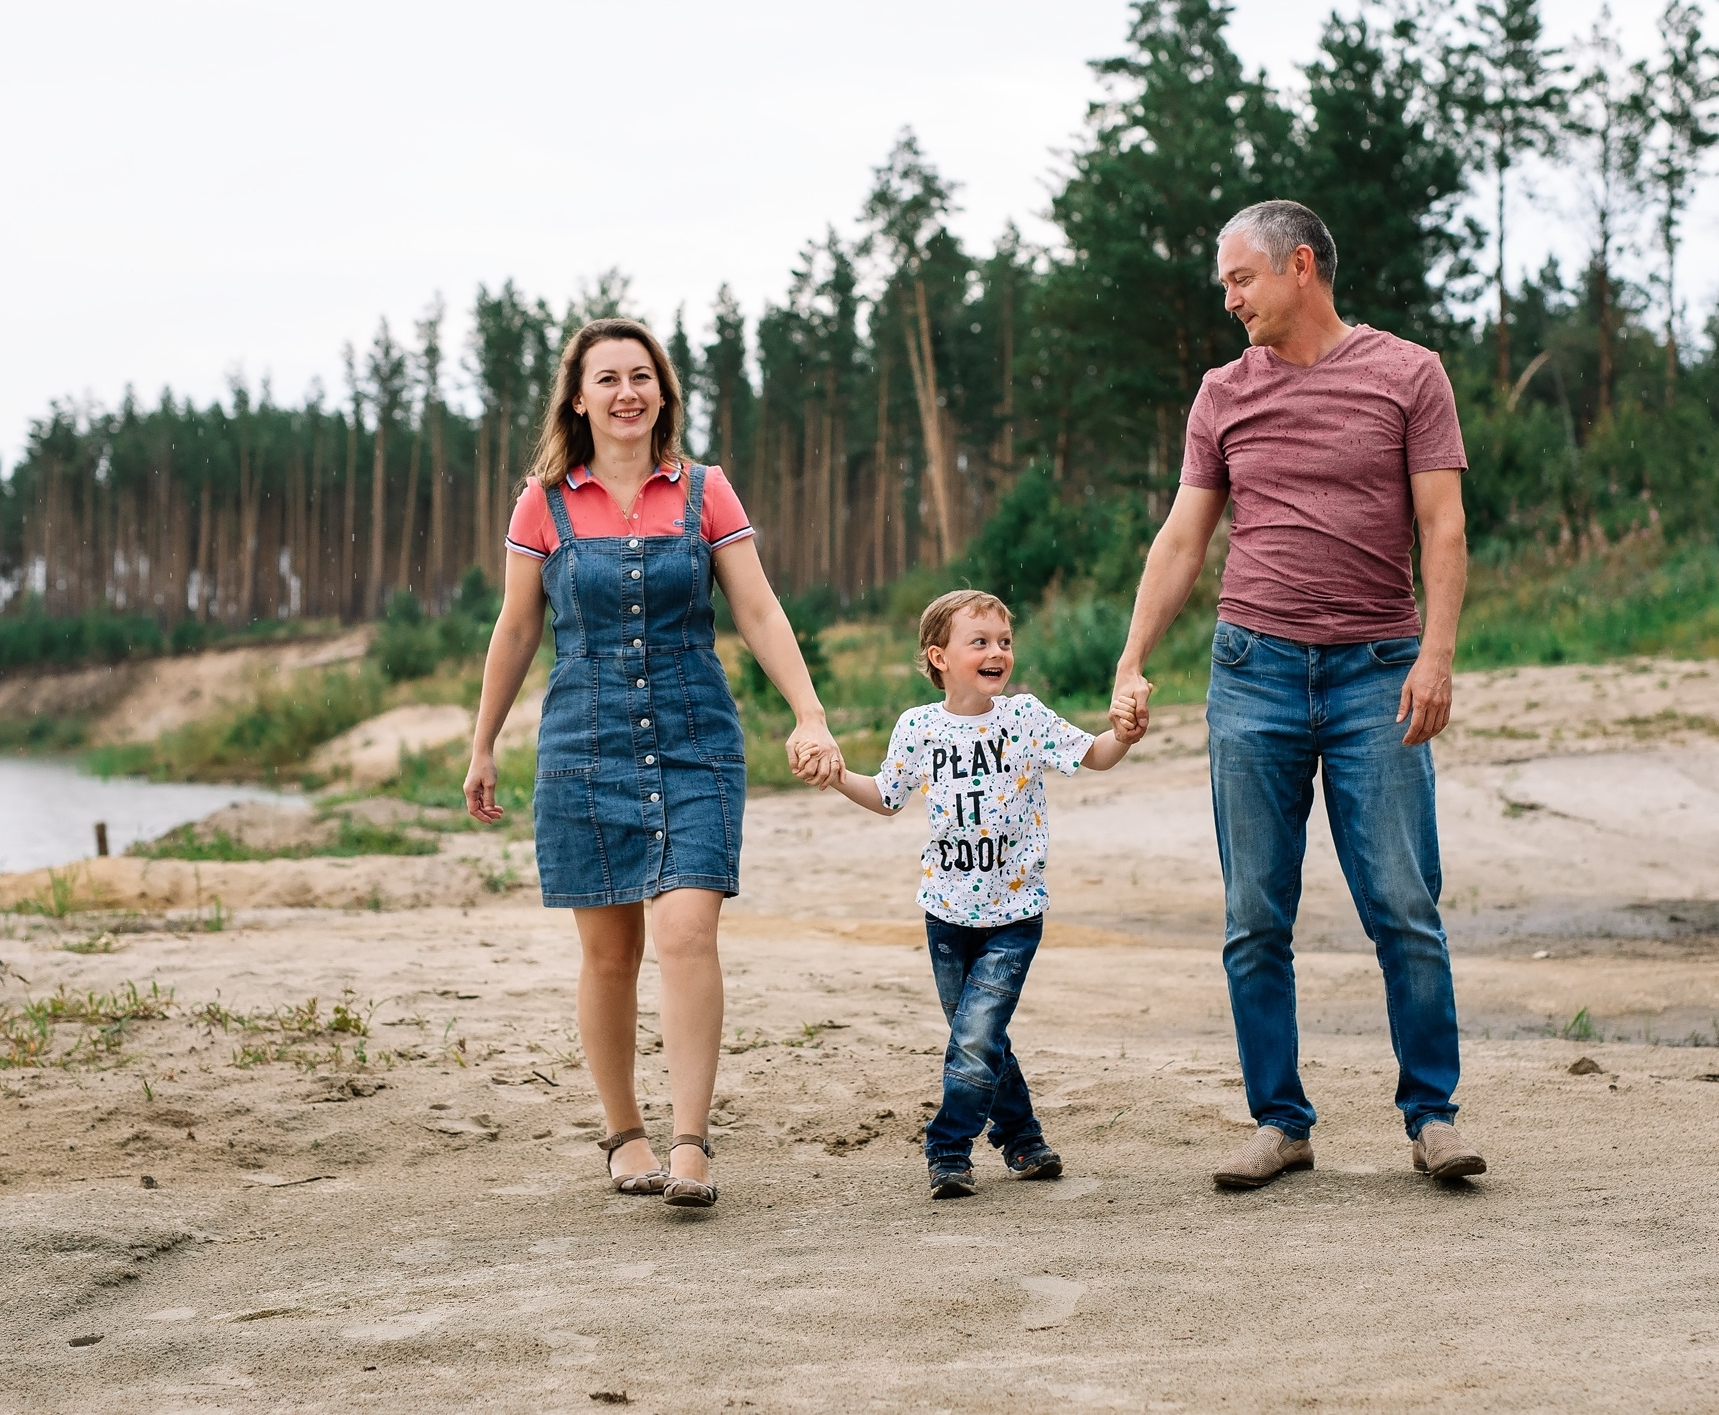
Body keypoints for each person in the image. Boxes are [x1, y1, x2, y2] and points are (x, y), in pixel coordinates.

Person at [1108, 199, 1487, 1189]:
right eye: (1224, 284)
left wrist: (1435, 656)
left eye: (1240, 278)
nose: (1229, 299)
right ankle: (1280, 1122)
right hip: (1252, 675)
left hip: (1376, 673)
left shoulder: (1409, 374)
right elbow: (1184, 536)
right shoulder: (1222, 393)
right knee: (1253, 916)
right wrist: (1132, 657)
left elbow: (1441, 528)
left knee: (1402, 902)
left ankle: (1431, 1116)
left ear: (1301, 267)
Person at [465, 316, 842, 1210]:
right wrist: (483, 741)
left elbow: (757, 609)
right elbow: (517, 628)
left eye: (643, 376)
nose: (628, 392)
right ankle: (624, 1132)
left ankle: (690, 1142)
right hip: (582, 746)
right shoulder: (542, 504)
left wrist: (809, 711)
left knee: (686, 933)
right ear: (579, 398)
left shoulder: (707, 491)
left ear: (664, 393)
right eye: (608, 379)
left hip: (696, 737)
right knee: (608, 956)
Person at [827, 589, 1142, 1199]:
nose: (997, 652)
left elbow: (1095, 755)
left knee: (975, 1035)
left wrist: (1123, 733)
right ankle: (1022, 1140)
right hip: (944, 914)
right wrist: (839, 776)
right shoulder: (918, 727)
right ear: (938, 656)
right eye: (980, 642)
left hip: (1016, 912)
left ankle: (947, 1148)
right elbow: (887, 796)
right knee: (982, 1035)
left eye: (1004, 641)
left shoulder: (1026, 718)